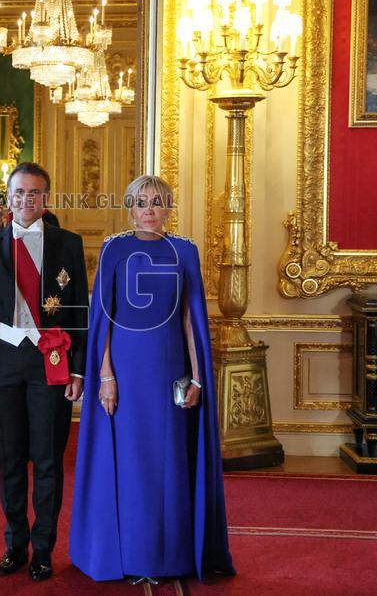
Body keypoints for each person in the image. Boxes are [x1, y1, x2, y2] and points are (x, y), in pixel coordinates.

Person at [69, 175, 234, 585]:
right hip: (124, 371)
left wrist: (197, 377)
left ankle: (169, 556)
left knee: (168, 462)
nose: (149, 210)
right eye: (141, 202)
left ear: (169, 208)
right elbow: (102, 317)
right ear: (129, 207)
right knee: (129, 462)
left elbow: (189, 319)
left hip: (168, 372)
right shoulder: (115, 248)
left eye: (158, 202)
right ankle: (127, 555)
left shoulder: (184, 251)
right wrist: (104, 375)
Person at [0, 162, 88, 582]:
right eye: (19, 193)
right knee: (11, 458)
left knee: (48, 458)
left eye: (34, 194)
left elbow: (78, 311)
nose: (26, 200)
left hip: (51, 361)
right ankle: (15, 544)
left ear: (45, 199)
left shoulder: (68, 244)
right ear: (8, 197)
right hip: (3, 361)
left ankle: (43, 549)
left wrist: (80, 371)